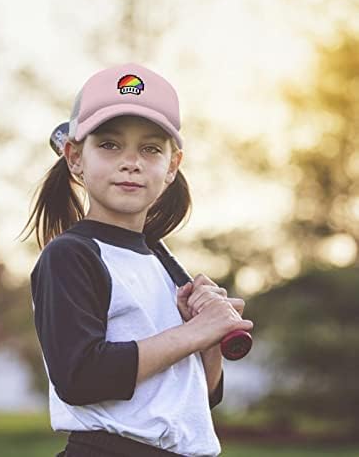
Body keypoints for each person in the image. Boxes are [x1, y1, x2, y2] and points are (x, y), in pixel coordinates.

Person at [20, 63, 254, 457]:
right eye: (110, 145)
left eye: (150, 148)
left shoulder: (160, 267)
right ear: (75, 157)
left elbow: (202, 396)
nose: (132, 162)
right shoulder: (71, 255)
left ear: (172, 166)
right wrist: (192, 335)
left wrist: (208, 337)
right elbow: (80, 378)